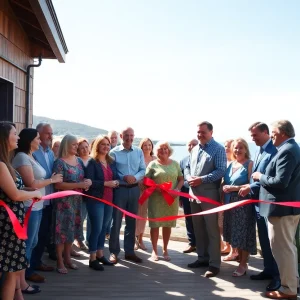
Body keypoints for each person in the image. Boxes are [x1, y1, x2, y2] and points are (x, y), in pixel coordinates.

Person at [252, 120, 300, 299]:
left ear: (283, 133)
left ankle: (288, 289)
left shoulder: (287, 151)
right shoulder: (290, 148)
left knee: (283, 249)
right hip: (285, 209)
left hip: (281, 210)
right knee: (288, 248)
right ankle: (292, 283)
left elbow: (280, 182)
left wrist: (260, 176)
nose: (271, 135)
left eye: (273, 132)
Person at [12, 129, 62, 290]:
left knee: (33, 242)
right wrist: (52, 180)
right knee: (27, 244)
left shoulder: (30, 157)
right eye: (37, 138)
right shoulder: (22, 158)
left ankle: (23, 278)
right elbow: (32, 183)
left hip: (37, 206)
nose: (40, 141)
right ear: (29, 140)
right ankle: (21, 283)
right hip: (28, 207)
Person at [0, 121, 42, 300]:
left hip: (12, 226)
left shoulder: (6, 162)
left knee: (12, 271)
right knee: (10, 272)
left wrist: (28, 191)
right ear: (4, 138)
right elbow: (15, 195)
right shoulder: (1, 165)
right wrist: (33, 193)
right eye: (14, 133)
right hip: (7, 227)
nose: (18, 137)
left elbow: (14, 191)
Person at [239, 122, 279, 292]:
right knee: (263, 239)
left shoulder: (275, 151)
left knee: (274, 243)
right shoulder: (259, 150)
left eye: (255, 135)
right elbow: (254, 176)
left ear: (265, 133)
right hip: (257, 204)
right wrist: (249, 187)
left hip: (269, 204)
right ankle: (268, 270)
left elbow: (270, 178)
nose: (252, 139)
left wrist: (251, 187)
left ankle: (278, 277)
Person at [185, 121, 227, 278]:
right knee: (198, 228)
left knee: (212, 230)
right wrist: (189, 177)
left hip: (209, 194)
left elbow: (221, 170)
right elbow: (187, 167)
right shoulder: (195, 149)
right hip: (193, 194)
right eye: (198, 132)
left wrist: (201, 179)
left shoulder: (218, 149)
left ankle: (214, 264)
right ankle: (202, 258)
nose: (200, 134)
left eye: (203, 132)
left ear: (211, 132)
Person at [52, 134, 92, 274]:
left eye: (77, 144)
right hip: (63, 203)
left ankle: (68, 258)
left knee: (72, 231)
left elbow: (84, 177)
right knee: (61, 232)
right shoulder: (59, 162)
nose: (77, 147)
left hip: (77, 202)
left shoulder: (79, 161)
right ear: (66, 145)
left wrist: (87, 183)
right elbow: (57, 184)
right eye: (74, 144)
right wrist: (79, 184)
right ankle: (60, 261)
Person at [108, 127, 146, 264]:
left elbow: (143, 169)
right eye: (126, 135)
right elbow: (111, 171)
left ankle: (129, 252)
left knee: (131, 222)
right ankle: (114, 252)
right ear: (121, 136)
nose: (129, 138)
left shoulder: (138, 151)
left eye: (131, 135)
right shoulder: (113, 152)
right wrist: (124, 177)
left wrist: (134, 178)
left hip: (134, 189)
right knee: (116, 222)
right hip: (120, 190)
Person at [222, 138, 256, 277]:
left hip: (243, 205)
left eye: (241, 147)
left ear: (246, 149)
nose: (237, 150)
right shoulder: (231, 164)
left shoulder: (250, 164)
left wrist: (234, 188)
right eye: (235, 147)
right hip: (229, 204)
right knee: (233, 233)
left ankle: (244, 264)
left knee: (243, 234)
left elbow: (252, 185)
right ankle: (239, 259)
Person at [85, 135, 119, 270]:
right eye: (103, 144)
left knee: (104, 229)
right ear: (97, 146)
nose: (106, 146)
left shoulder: (111, 161)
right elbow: (89, 181)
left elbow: (115, 177)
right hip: (96, 199)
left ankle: (100, 253)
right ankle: (92, 258)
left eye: (108, 144)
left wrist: (116, 182)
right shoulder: (92, 162)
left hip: (109, 199)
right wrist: (107, 183)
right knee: (96, 228)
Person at [146, 141, 184, 261]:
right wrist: (155, 187)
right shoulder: (152, 164)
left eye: (165, 148)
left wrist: (177, 189)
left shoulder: (176, 164)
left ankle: (165, 249)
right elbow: (146, 181)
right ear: (156, 151)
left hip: (171, 199)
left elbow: (181, 179)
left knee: (168, 225)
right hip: (156, 199)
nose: (163, 150)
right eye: (160, 149)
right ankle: (154, 251)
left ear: (169, 150)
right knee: (155, 225)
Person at [31, 123, 57, 280]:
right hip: (36, 200)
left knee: (43, 235)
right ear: (38, 134)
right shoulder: (33, 153)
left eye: (51, 133)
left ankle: (37, 262)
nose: (50, 136)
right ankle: (29, 269)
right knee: (34, 236)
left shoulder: (51, 153)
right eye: (47, 133)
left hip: (49, 199)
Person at [135, 138, 155, 251]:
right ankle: (134, 238)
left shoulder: (155, 159)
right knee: (135, 213)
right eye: (145, 145)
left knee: (143, 215)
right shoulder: (137, 158)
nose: (147, 147)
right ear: (141, 147)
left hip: (150, 192)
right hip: (137, 189)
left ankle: (140, 238)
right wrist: (139, 182)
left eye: (149, 145)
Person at [179, 138, 198, 253]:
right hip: (186, 192)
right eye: (189, 145)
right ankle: (192, 243)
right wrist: (180, 197)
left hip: (198, 192)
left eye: (194, 144)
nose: (191, 147)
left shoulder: (202, 159)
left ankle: (201, 243)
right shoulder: (183, 160)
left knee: (200, 218)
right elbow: (180, 179)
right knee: (188, 217)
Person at [74, 138, 91, 250]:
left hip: (93, 194)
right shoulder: (76, 161)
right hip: (80, 194)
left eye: (86, 147)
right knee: (80, 217)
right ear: (78, 150)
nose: (85, 149)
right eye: (82, 148)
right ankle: (79, 239)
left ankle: (89, 239)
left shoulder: (93, 160)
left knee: (91, 219)